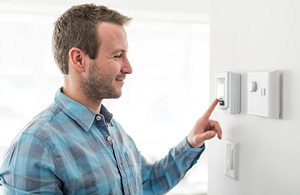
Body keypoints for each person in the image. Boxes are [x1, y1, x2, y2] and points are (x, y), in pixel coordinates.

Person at [0, 4, 222, 195]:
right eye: (117, 56)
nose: (128, 68)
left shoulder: (113, 130)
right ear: (79, 59)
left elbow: (146, 183)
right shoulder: (35, 146)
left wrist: (191, 143)